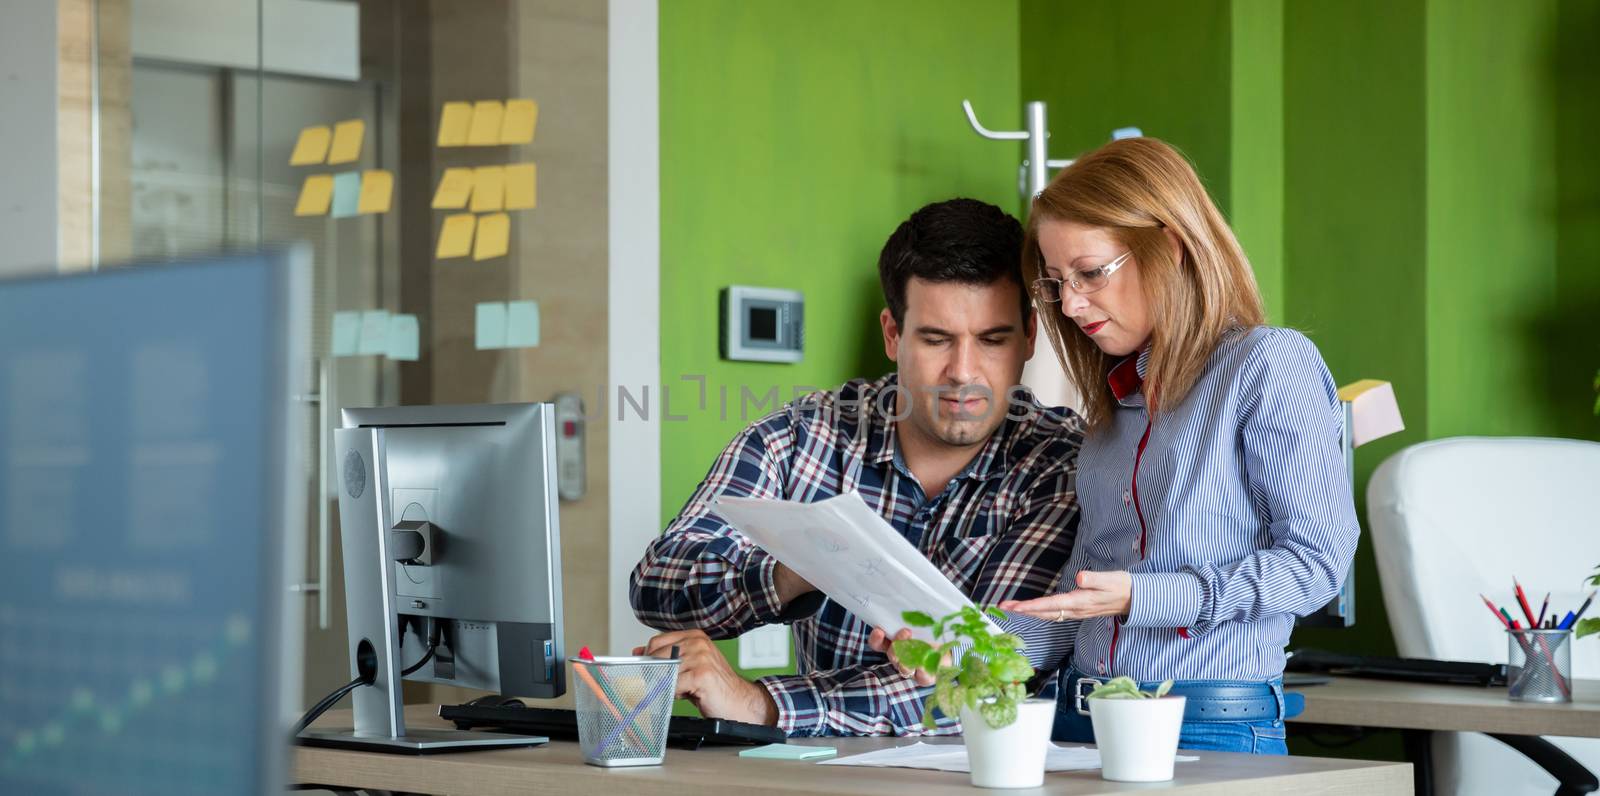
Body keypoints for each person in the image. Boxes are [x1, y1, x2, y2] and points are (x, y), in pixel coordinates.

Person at [629, 198, 1083, 736]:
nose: (963, 372)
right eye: (936, 339)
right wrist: (800, 565)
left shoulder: (1061, 464)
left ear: (1030, 336)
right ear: (893, 334)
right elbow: (657, 583)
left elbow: (989, 669)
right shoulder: (805, 435)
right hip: (821, 776)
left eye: (992, 340)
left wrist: (762, 704)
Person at [990, 137, 1360, 754]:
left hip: (1208, 725)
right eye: (1058, 282)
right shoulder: (1113, 409)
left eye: (1090, 272)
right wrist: (965, 645)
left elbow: (1318, 565)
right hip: (1078, 722)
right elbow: (1082, 605)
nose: (1073, 304)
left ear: (1168, 246)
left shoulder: (1269, 365)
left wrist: (1144, 596)